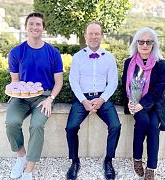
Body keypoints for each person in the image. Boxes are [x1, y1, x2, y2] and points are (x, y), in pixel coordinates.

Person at [5, 12, 63, 180]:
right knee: (11, 122)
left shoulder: (53, 53)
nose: (34, 27)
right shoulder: (16, 52)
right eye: (31, 24)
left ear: (43, 28)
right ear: (26, 27)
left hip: (44, 97)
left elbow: (58, 82)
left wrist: (50, 99)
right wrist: (15, 92)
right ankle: (21, 156)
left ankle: (29, 169)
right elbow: (15, 81)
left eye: (38, 24)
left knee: (36, 126)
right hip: (21, 96)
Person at [65, 22, 121, 180]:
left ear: (102, 36)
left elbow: (113, 82)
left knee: (116, 125)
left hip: (103, 98)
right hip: (82, 98)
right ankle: (75, 162)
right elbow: (73, 81)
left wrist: (102, 99)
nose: (94, 37)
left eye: (97, 34)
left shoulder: (109, 58)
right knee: (71, 127)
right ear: (85, 35)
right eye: (91, 33)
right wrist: (83, 101)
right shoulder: (77, 57)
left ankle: (108, 161)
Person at [121, 27, 165, 180]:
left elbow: (159, 88)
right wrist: (130, 101)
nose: (145, 45)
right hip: (135, 103)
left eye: (149, 42)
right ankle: (136, 159)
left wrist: (143, 104)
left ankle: (151, 167)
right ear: (136, 43)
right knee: (143, 120)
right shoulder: (129, 63)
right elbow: (125, 85)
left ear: (154, 44)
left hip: (153, 104)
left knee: (153, 126)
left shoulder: (161, 64)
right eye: (141, 41)